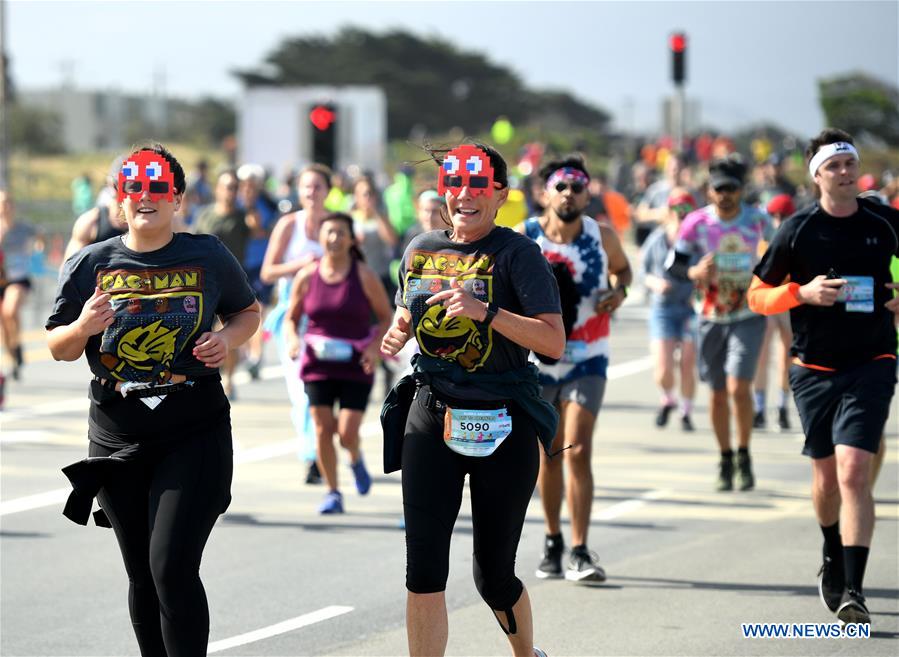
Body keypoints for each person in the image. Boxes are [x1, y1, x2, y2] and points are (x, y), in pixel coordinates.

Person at [46, 144, 261, 656]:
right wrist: (83, 326)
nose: (145, 198)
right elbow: (58, 347)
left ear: (178, 198)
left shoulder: (206, 254)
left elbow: (247, 312)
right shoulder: (90, 263)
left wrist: (226, 340)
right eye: (133, 189)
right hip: (118, 433)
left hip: (193, 427)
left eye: (158, 188)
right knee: (142, 574)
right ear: (119, 199)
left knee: (171, 566)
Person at [381, 143, 564, 657]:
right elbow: (408, 310)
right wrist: (398, 331)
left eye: (478, 185)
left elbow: (552, 342)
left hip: (503, 423)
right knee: (423, 571)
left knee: (494, 575)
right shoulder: (421, 248)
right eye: (455, 184)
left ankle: (526, 654)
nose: (464, 195)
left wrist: (486, 312)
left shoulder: (518, 254)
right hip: (433, 415)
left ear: (500, 194)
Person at [748, 128, 899, 626]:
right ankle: (832, 550)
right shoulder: (797, 230)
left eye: (850, 163)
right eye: (834, 165)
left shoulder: (885, 221)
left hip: (874, 360)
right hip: (813, 367)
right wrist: (802, 293)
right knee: (826, 478)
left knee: (855, 470)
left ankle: (854, 588)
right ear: (818, 176)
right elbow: (757, 295)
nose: (845, 172)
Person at [519, 156, 632, 583]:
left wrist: (618, 294)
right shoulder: (525, 238)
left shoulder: (601, 235)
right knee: (549, 455)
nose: (569, 194)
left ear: (588, 193)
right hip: (537, 361)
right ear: (544, 193)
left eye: (577, 187)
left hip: (589, 355)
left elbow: (624, 272)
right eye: (561, 186)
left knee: (578, 448)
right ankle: (552, 540)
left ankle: (581, 550)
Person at [675, 155, 773, 491]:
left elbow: (780, 259)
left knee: (738, 388)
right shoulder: (696, 223)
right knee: (717, 394)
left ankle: (744, 454)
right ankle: (725, 457)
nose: (724, 195)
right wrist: (694, 273)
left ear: (741, 190)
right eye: (718, 189)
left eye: (731, 189)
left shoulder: (759, 221)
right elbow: (675, 266)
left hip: (748, 314)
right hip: (709, 316)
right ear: (709, 191)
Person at [285, 212, 392, 513]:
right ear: (320, 237)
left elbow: (385, 318)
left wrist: (374, 348)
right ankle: (333, 492)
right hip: (317, 364)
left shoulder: (364, 275)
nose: (334, 238)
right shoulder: (307, 275)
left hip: (357, 363)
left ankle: (355, 457)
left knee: (346, 432)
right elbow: (291, 319)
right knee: (321, 428)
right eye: (329, 232)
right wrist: (293, 339)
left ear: (351, 239)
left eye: (340, 233)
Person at [261, 164, 330, 485]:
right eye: (306, 188)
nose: (311, 193)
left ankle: (320, 448)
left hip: (331, 321)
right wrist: (300, 266)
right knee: (303, 392)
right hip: (293, 319)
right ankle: (312, 456)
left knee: (326, 392)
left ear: (328, 191)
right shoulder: (290, 225)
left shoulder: (337, 226)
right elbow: (267, 272)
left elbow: (356, 268)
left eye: (317, 187)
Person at [640, 188, 698, 431]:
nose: (681, 214)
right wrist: (655, 283)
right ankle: (668, 398)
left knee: (687, 360)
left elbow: (708, 269)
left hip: (689, 308)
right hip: (663, 308)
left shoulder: (697, 242)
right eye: (677, 209)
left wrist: (700, 290)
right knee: (663, 367)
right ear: (669, 211)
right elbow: (643, 272)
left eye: (687, 209)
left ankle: (685, 409)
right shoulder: (657, 239)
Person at [195, 168, 251, 399]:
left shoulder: (243, 217)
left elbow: (258, 231)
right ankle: (210, 375)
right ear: (218, 189)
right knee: (206, 330)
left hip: (233, 281)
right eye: (227, 187)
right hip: (206, 281)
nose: (231, 192)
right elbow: (194, 238)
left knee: (228, 329)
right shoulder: (206, 215)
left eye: (234, 188)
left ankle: (229, 379)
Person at [752, 193, 796, 431]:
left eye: (783, 216)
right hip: (768, 301)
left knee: (786, 355)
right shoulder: (761, 238)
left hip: (787, 300)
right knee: (762, 354)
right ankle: (759, 408)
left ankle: (782, 407)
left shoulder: (796, 235)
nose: (778, 221)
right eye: (774, 216)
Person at [0, 190, 36, 380]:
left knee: (10, 310)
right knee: (4, 326)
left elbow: (39, 237)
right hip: (1, 279)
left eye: (7, 202)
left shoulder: (23, 227)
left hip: (19, 277)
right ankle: (13, 355)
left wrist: (37, 250)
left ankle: (17, 344)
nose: (5, 207)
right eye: (1, 203)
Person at [64, 158, 129, 261]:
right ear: (110, 183)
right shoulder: (90, 223)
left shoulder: (147, 221)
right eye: (120, 183)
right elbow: (69, 271)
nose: (123, 190)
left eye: (130, 184)